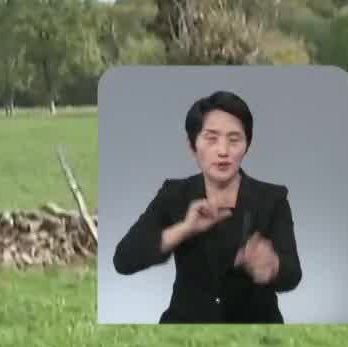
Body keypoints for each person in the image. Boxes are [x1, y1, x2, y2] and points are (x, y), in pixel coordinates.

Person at [110, 90, 302, 323]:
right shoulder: (174, 195)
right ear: (193, 147)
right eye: (211, 139)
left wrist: (272, 267)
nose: (223, 151)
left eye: (234, 140)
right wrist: (183, 229)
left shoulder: (272, 198)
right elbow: (124, 259)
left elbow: (292, 274)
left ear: (247, 146)